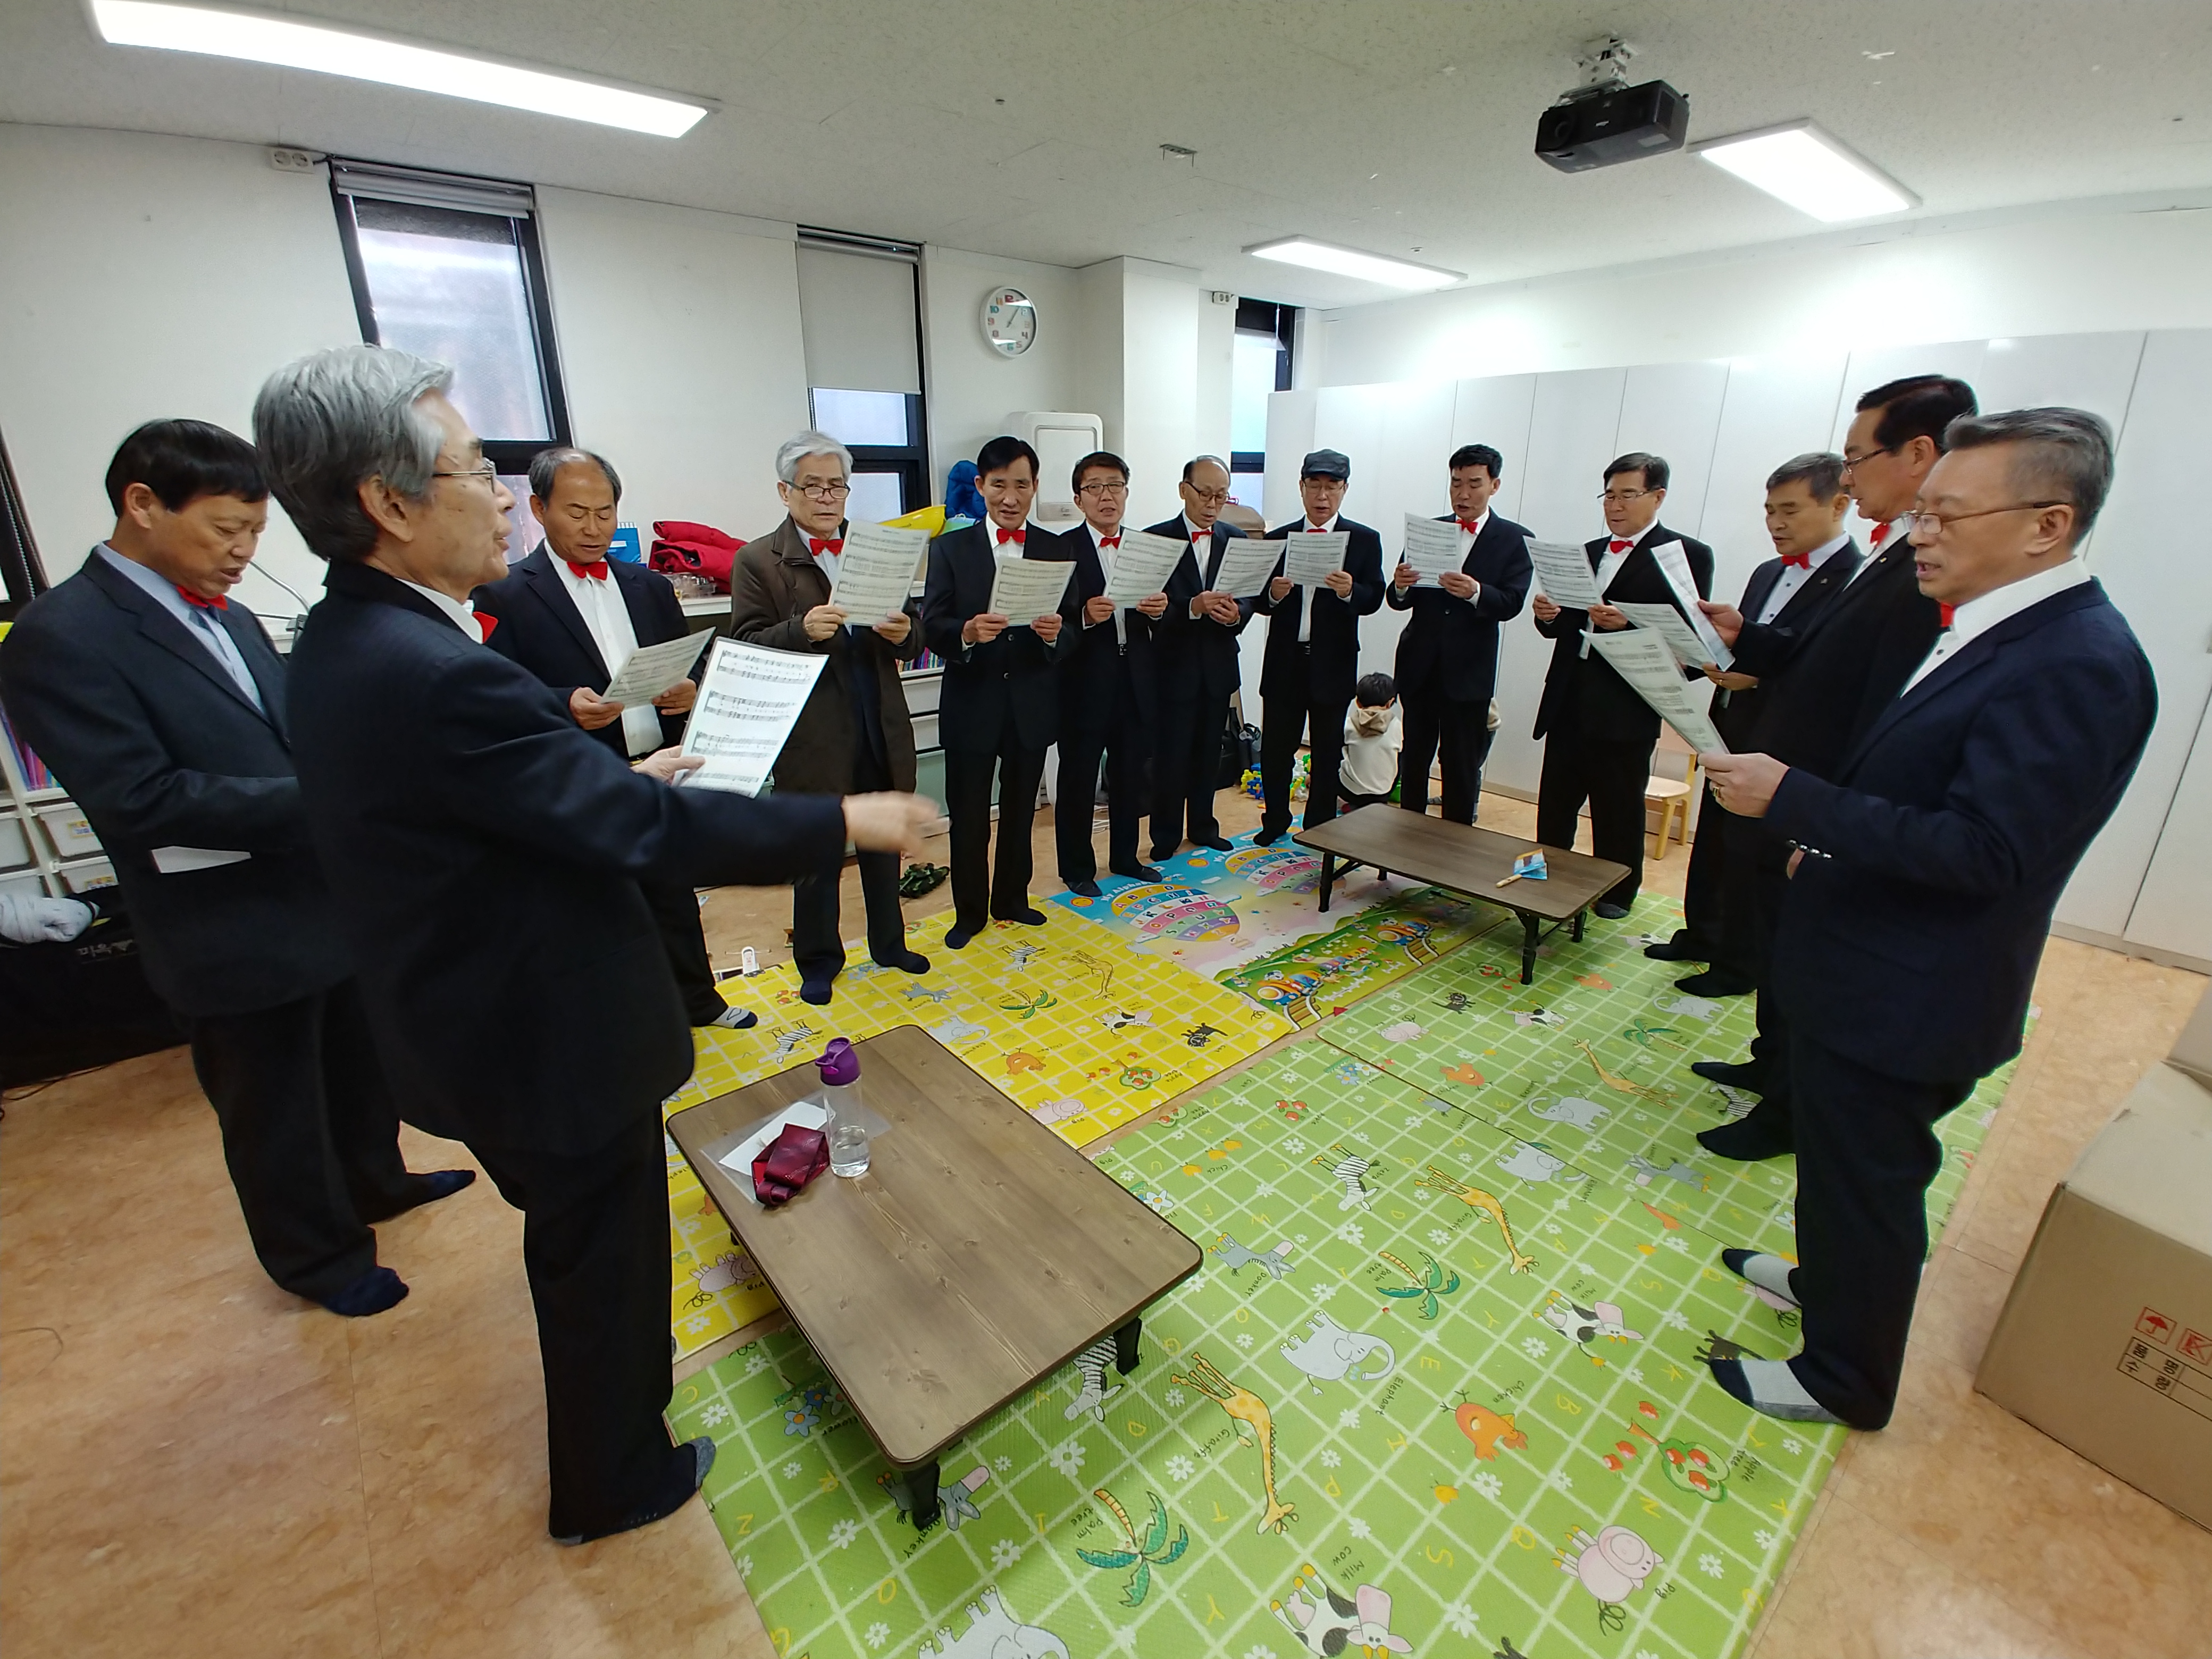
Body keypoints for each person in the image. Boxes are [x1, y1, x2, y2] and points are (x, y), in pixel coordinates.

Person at [256, 345, 933, 1546]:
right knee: (599, 1262)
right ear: (387, 501)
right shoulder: (429, 666)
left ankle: (613, 1449)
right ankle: (613, 1479)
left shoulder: (339, 640)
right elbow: (640, 830)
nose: (502, 499)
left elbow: (499, 808)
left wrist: (619, 776)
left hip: (472, 1015)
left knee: (579, 1247)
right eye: (477, 470)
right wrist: (841, 819)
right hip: (546, 1033)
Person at [1698, 407, 2155, 1430]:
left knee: (1870, 1183)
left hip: (1912, 990)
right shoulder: (1998, 626)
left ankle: (1845, 1379)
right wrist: (1825, 835)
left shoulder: (2079, 660)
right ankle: (1825, 1286)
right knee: (1839, 1168)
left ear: (2048, 524)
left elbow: (1987, 852)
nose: (1920, 533)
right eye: (1923, 512)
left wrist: (1799, 802)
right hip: (1868, 961)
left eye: (1948, 515)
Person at [0, 418, 471, 1318]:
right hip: (225, 920)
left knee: (357, 1063)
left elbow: (288, 735)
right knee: (275, 1105)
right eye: (226, 529)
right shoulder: (60, 635)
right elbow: (139, 798)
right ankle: (317, 1258)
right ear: (143, 504)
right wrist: (334, 799)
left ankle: (377, 1182)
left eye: (255, 532)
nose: (243, 553)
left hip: (320, 890)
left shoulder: (236, 616)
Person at [1690, 376, 1976, 1161]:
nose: (1848, 476)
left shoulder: (1924, 564)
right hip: (1793, 786)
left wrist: (1823, 822)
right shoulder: (1889, 553)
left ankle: (1786, 1110)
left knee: (1804, 960)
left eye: (1857, 458)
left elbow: (1879, 706)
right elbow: (1821, 659)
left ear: (1917, 454)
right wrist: (1747, 634)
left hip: (1818, 797)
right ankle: (1769, 1066)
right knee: (1781, 947)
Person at [474, 447, 750, 1029]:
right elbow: (496, 695)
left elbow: (689, 661)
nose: (594, 527)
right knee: (597, 906)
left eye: (605, 512)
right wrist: (563, 706)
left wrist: (690, 689)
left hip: (659, 762)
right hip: (582, 774)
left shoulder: (648, 586)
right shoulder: (504, 593)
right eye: (577, 513)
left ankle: (699, 1002)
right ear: (539, 509)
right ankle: (621, 1020)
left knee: (673, 893)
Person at [1646, 453, 1861, 997]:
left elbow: (1830, 673)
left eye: (1790, 510)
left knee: (1754, 857)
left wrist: (1757, 679)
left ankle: (1739, 966)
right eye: (1769, 511)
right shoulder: (1768, 571)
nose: (1776, 524)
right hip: (1730, 725)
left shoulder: (1853, 580)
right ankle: (1702, 934)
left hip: (1783, 740)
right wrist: (1707, 658)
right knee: (1714, 842)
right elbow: (1750, 643)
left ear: (1838, 505)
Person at [730, 430, 929, 1002]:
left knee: (882, 843)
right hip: (814, 733)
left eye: (836, 486)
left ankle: (889, 943)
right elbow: (744, 646)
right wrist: (801, 630)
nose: (826, 497)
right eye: (812, 486)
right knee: (815, 851)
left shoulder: (875, 547)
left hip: (877, 721)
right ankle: (818, 960)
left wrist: (904, 633)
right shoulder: (757, 560)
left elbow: (914, 636)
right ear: (785, 492)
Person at [1530, 453, 1713, 917]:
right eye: (1609, 496)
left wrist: (1626, 626)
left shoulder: (1686, 554)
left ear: (1658, 497)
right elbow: (1566, 628)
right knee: (1555, 806)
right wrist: (1548, 616)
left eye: (1628, 495)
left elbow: (1692, 642)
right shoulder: (1589, 551)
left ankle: (1617, 893)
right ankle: (1547, 882)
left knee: (1618, 809)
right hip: (1569, 698)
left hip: (1625, 706)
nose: (1615, 506)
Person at [920, 435, 1076, 946]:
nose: (1011, 498)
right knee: (969, 817)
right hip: (972, 704)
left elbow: (1074, 627)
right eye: (999, 485)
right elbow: (931, 624)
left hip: (1031, 703)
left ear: (1035, 487)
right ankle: (969, 913)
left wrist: (1055, 636)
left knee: (1021, 812)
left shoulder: (1056, 548)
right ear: (980, 485)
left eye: (1022, 485)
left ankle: (1012, 898)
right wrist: (965, 633)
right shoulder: (949, 548)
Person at [1387, 443, 1535, 822]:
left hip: (1469, 673)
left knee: (1461, 764)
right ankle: (1407, 833)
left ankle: (1455, 841)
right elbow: (1399, 600)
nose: (1463, 494)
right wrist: (1400, 585)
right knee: (1414, 757)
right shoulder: (1429, 530)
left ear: (1494, 485)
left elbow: (1512, 602)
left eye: (1474, 484)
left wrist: (1476, 592)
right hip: (1420, 666)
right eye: (1456, 484)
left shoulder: (1515, 539)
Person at [1252, 449, 1385, 844]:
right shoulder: (1278, 539)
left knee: (1327, 751)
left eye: (1332, 487)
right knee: (1276, 750)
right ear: (1302, 487)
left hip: (1334, 662)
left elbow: (1375, 597)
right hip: (1285, 661)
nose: (1322, 496)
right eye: (1314, 486)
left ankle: (1320, 825)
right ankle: (1275, 820)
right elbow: (1257, 600)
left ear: (1344, 489)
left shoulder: (1364, 540)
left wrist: (1350, 591)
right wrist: (1273, 595)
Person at [1055, 450, 1170, 895]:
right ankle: (1076, 869)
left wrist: (1159, 612)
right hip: (1084, 683)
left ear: (1126, 492)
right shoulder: (1062, 549)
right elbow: (1051, 620)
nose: (1107, 496)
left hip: (1136, 678)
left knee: (1129, 776)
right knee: (1079, 779)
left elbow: (1164, 613)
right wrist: (1084, 617)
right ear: (1079, 499)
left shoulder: (1144, 546)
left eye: (1115, 486)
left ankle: (1125, 857)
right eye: (1095, 488)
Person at [1148, 455, 1253, 859]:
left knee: (1209, 754)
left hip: (1218, 665)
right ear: (1184, 490)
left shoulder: (1236, 539)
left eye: (1221, 496)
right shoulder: (1157, 539)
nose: (1212, 504)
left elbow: (1250, 595)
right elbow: (1148, 608)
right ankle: (1165, 836)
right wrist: (1191, 607)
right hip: (1172, 666)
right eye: (1205, 493)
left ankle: (1204, 826)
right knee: (1171, 756)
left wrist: (1237, 614)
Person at [1339, 673, 1402, 813]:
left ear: (1357, 702)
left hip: (1350, 792)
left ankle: (1351, 803)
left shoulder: (1348, 724)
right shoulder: (1397, 726)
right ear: (1390, 702)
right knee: (1399, 757)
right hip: (1383, 793)